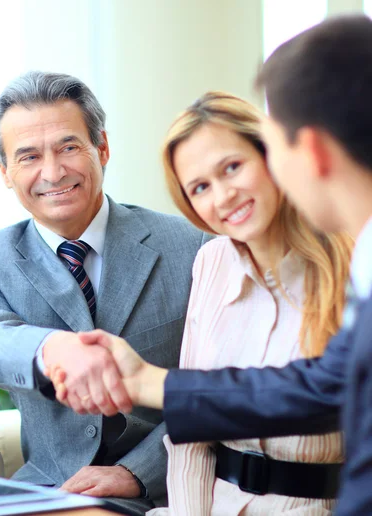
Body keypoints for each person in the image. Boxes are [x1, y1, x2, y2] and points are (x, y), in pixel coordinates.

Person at [51, 14, 372, 516]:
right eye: (199, 187)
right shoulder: (212, 262)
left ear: (283, 155)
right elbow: (199, 434)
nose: (222, 196)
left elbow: (318, 392)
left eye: (233, 167)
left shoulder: (352, 261)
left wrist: (145, 382)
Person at [0, 71, 209, 515]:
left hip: (165, 487)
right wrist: (54, 347)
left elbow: (218, 385)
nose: (52, 172)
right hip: (49, 489)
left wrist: (135, 472)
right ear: (6, 173)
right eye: (28, 156)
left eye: (69, 147)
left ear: (101, 148)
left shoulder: (193, 245)